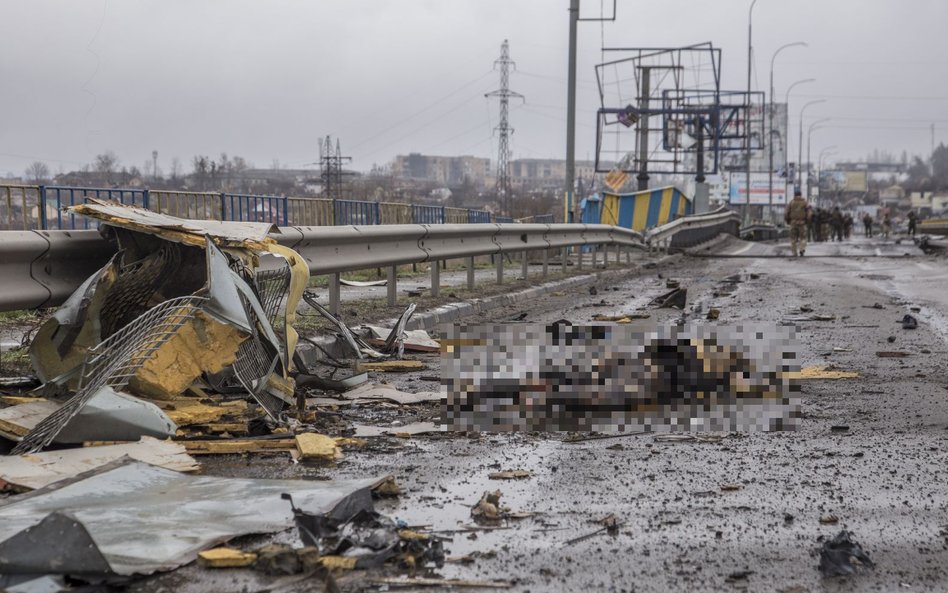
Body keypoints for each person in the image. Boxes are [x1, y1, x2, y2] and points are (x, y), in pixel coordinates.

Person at [785, 190, 809, 256]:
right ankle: (802, 249)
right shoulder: (805, 203)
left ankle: (794, 252)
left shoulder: (791, 203)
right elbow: (809, 213)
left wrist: (788, 221)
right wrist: (807, 221)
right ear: (801, 195)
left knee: (793, 238)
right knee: (803, 237)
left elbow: (786, 213)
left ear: (795, 195)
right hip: (802, 223)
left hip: (793, 223)